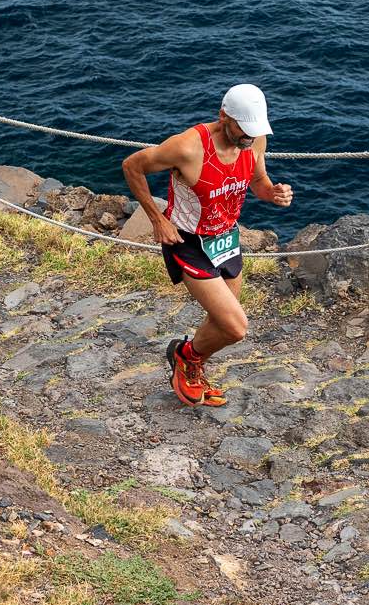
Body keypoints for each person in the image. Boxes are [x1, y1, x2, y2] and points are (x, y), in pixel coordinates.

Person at [121, 83, 293, 406]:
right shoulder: (188, 147)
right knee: (236, 327)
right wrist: (157, 219)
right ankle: (186, 358)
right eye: (243, 128)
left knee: (222, 324)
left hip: (227, 239)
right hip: (189, 242)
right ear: (223, 116)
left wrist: (273, 194)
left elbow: (258, 181)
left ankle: (189, 365)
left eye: (255, 129)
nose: (249, 137)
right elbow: (132, 166)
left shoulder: (254, 140)